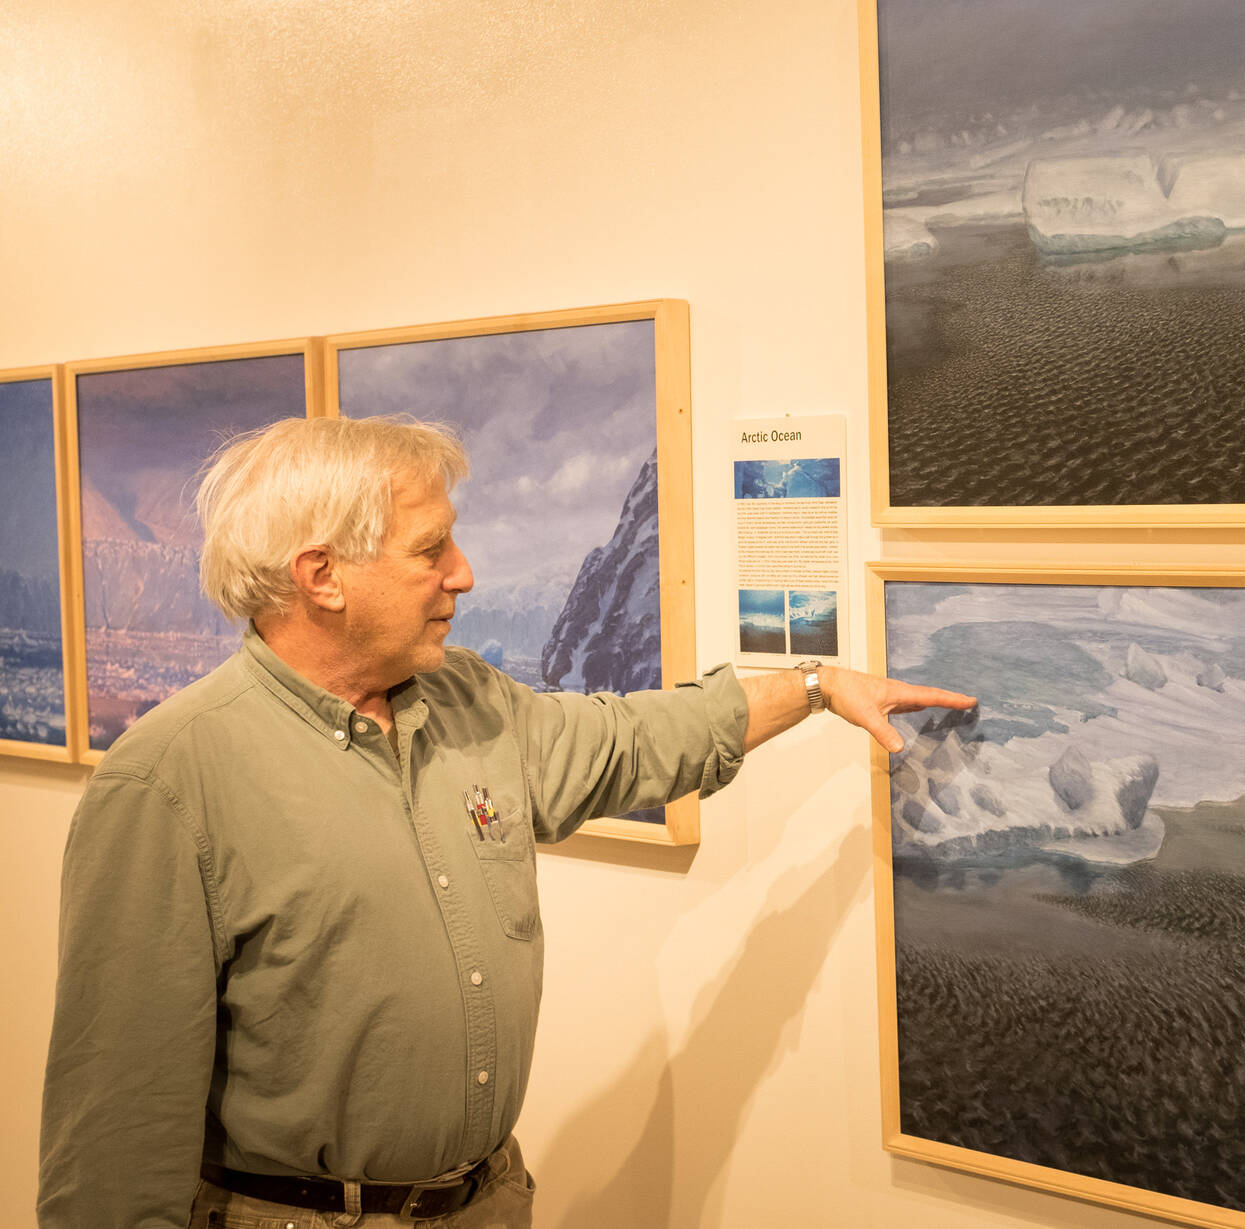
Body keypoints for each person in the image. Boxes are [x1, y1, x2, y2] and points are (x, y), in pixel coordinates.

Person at [37, 415, 973, 1228]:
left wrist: (813, 686)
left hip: (488, 1203)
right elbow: (115, 1133)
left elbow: (633, 740)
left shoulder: (465, 699)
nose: (464, 573)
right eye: (429, 549)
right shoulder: (169, 783)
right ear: (321, 575)